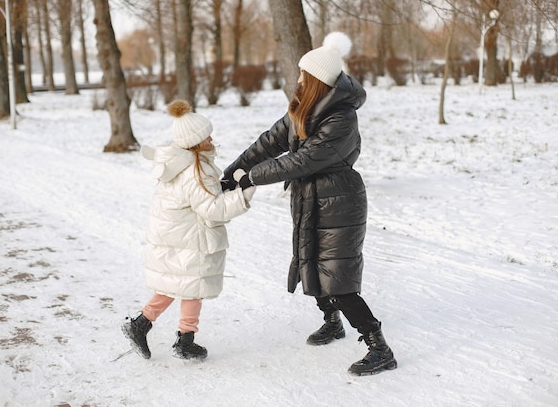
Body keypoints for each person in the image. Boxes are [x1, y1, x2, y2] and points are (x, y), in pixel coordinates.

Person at [222, 32, 397, 376]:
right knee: (311, 264)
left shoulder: (342, 118)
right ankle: (332, 322)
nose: (298, 78)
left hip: (338, 202)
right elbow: (268, 143)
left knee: (338, 278)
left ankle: (380, 348)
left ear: (318, 79)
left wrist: (251, 178)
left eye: (304, 74)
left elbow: (301, 161)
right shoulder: (302, 108)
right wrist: (233, 171)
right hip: (309, 199)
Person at [123, 99, 256, 360]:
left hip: (178, 236)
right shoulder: (197, 171)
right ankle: (183, 341)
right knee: (191, 286)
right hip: (189, 238)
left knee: (180, 284)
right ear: (196, 142)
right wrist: (243, 196)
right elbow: (212, 209)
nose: (211, 138)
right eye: (207, 135)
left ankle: (143, 326)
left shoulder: (179, 162)